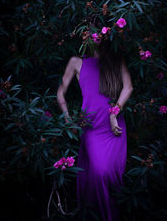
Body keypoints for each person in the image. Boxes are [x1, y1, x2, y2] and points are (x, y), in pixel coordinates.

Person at [56, 39, 133, 221]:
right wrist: (68, 120)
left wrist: (114, 114)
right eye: (89, 31)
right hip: (91, 126)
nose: (92, 35)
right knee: (98, 172)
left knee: (112, 175)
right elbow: (60, 92)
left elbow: (128, 87)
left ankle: (112, 215)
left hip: (113, 126)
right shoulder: (76, 61)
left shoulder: (115, 59)